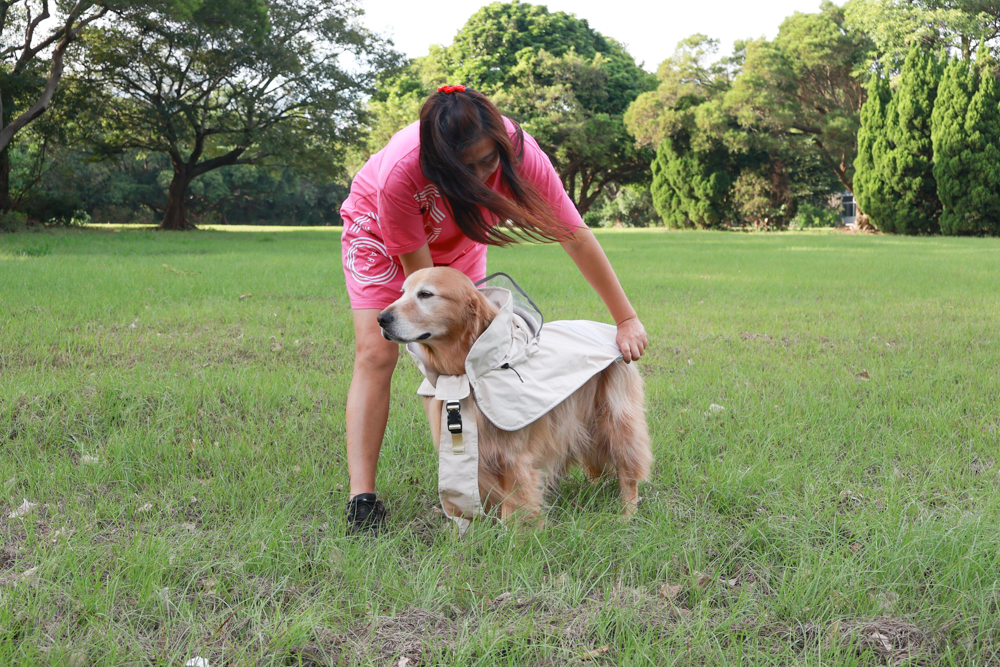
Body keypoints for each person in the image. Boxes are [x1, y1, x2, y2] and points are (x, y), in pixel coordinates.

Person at [339, 85, 647, 534]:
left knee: (479, 350)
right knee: (379, 351)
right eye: (467, 168)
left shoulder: (521, 153)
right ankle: (365, 498)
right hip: (380, 233)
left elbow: (574, 235)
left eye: (489, 161)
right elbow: (424, 291)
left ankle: (491, 467)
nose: (483, 176)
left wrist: (626, 318)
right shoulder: (401, 176)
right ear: (441, 162)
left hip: (462, 231)